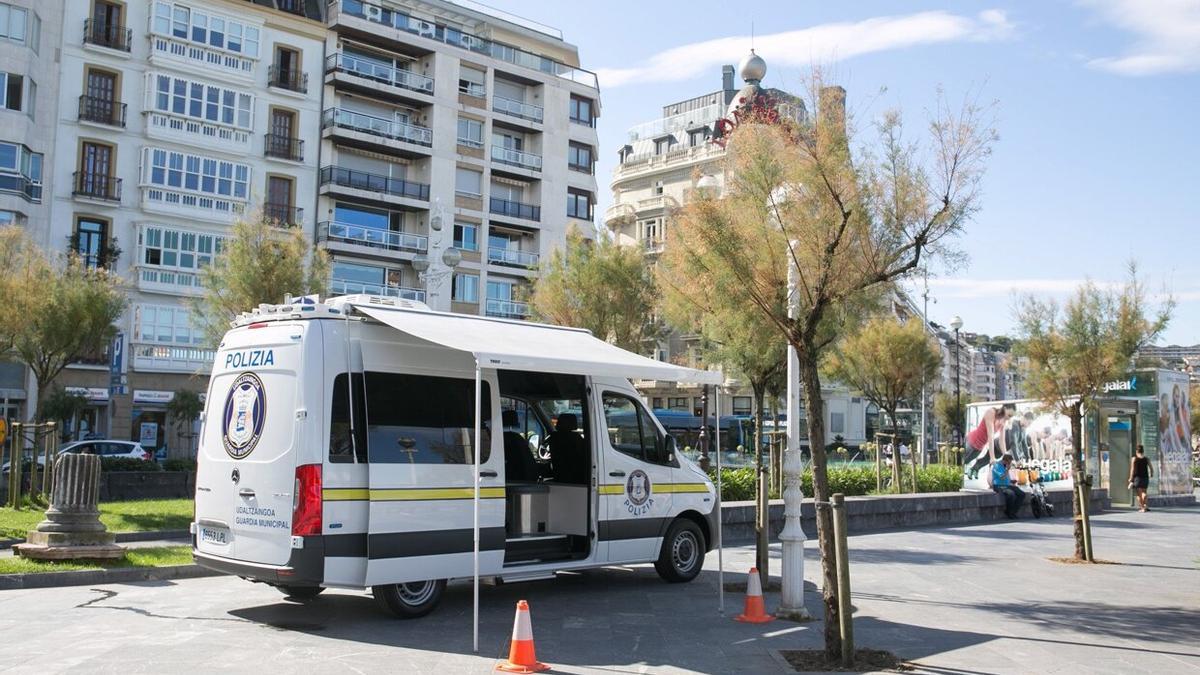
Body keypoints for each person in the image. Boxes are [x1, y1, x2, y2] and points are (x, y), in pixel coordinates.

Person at [965, 406, 1009, 480]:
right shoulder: (991, 412)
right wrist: (992, 457)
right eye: (1007, 416)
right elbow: (990, 436)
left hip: (979, 448)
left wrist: (1006, 456)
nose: (1006, 420)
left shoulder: (1003, 423)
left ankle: (973, 471)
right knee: (959, 462)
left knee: (966, 462)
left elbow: (1002, 441)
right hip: (971, 441)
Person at [991, 453, 1024, 519]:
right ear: (1005, 460)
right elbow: (1002, 478)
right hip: (998, 486)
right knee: (1011, 494)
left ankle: (1013, 512)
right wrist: (1007, 469)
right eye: (1009, 462)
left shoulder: (1005, 465)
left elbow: (1006, 478)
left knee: (1021, 494)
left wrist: (1011, 481)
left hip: (1007, 485)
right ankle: (1009, 512)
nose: (1010, 464)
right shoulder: (996, 466)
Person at [1128, 444, 1153, 512]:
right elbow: (1151, 467)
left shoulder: (1134, 459)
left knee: (1139, 494)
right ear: (1143, 451)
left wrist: (1131, 478)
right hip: (1145, 478)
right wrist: (1151, 473)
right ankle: (1145, 503)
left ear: (1136, 451)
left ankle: (1142, 508)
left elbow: (1132, 469)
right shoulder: (1146, 458)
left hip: (1137, 478)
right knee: (1144, 492)